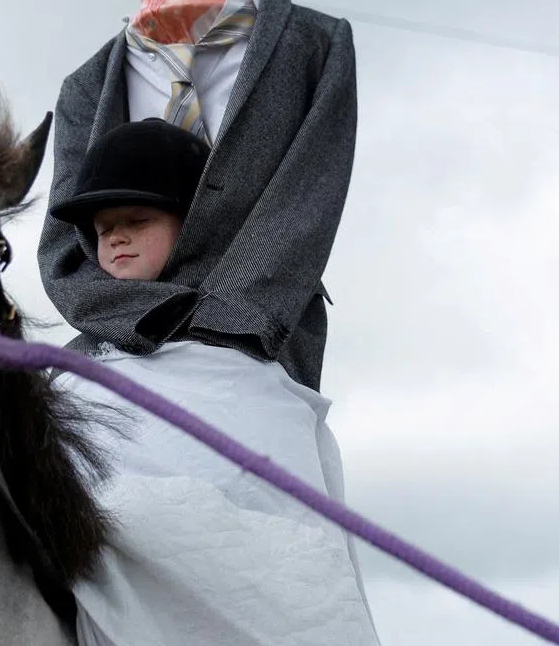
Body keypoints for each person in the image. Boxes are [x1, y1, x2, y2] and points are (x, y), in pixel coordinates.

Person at [47, 118, 381, 645]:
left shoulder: (246, 359)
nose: (114, 236)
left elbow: (266, 525)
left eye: (138, 218)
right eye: (102, 226)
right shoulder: (67, 373)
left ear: (195, 227)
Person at [37, 0, 356, 392]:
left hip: (257, 339)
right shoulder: (86, 85)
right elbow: (65, 243)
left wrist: (226, 322)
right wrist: (138, 322)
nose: (117, 233)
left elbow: (305, 195)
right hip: (122, 343)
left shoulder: (316, 43)